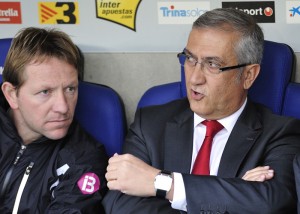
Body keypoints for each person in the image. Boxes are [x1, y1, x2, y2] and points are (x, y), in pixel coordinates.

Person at [103, 8, 300, 213]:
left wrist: (162, 184)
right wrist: (235, 196)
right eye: (190, 59)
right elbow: (118, 204)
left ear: (249, 75)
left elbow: (271, 204)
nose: (194, 78)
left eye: (212, 64)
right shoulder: (150, 124)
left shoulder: (280, 133)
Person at [0, 27, 108, 213]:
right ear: (12, 95)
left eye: (70, 89)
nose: (63, 107)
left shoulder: (83, 158)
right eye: (45, 92)